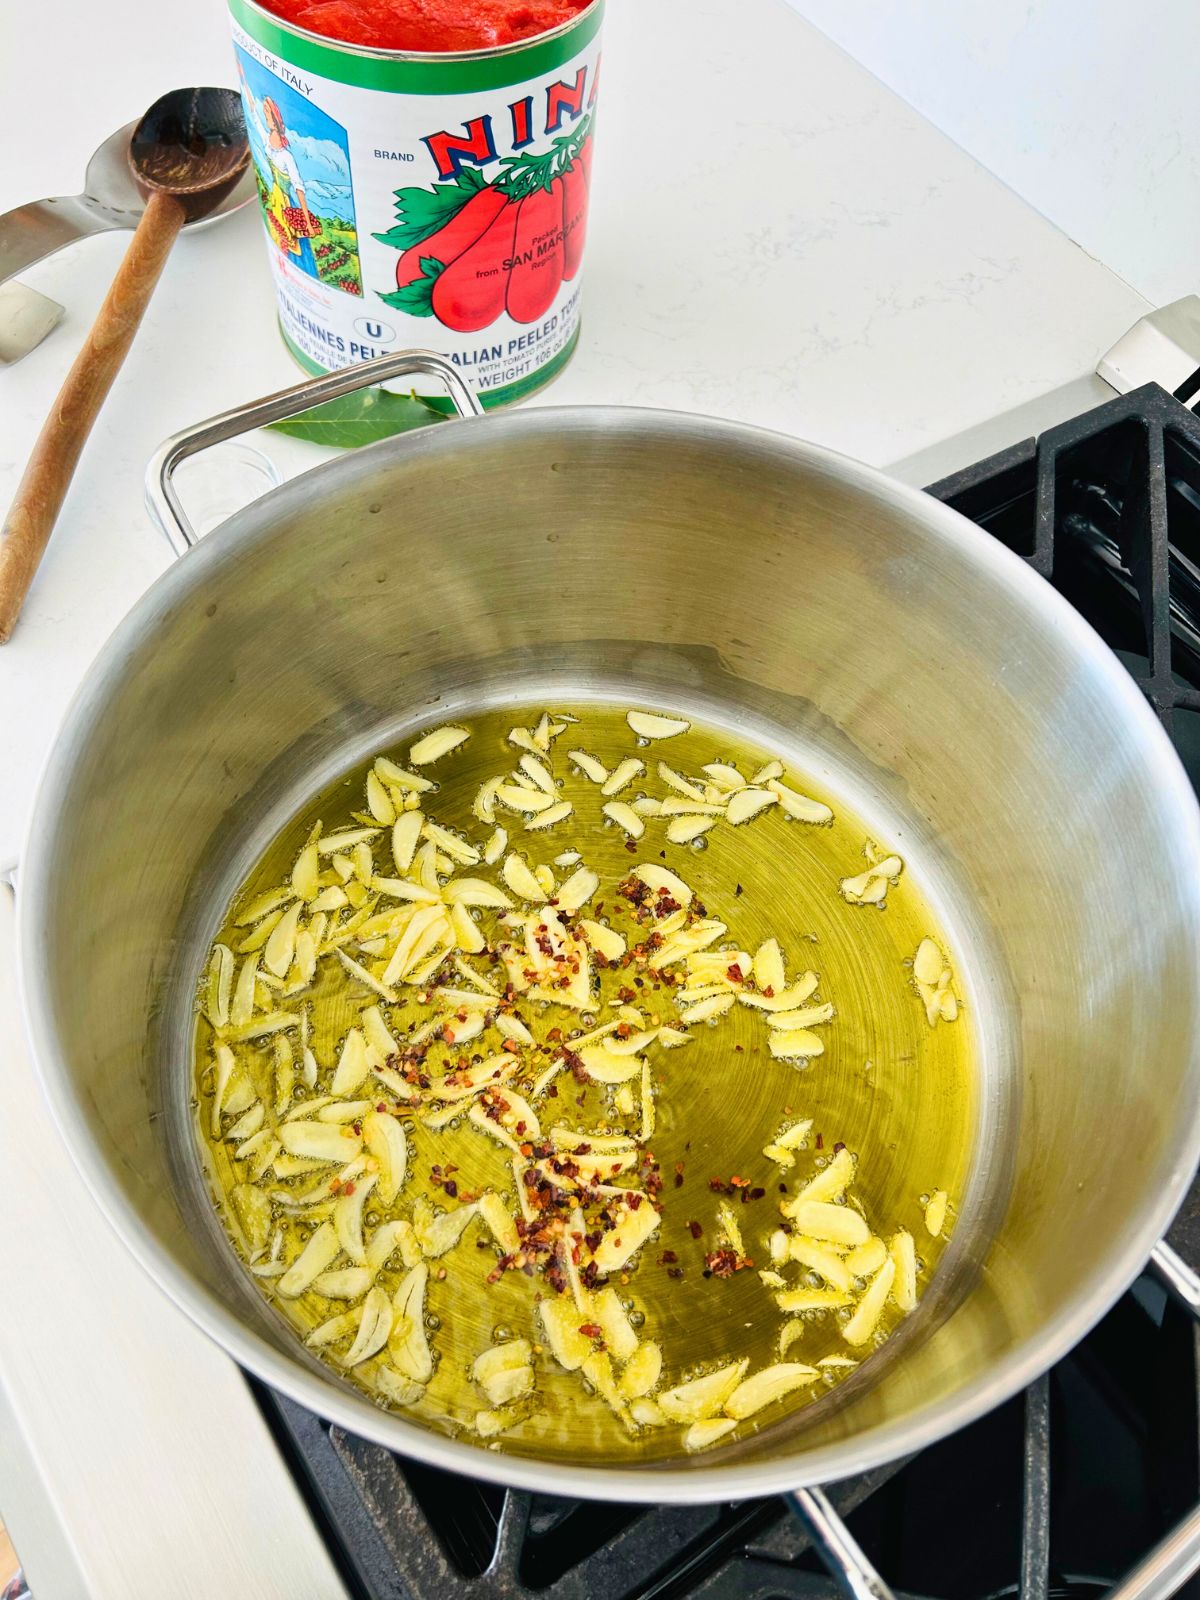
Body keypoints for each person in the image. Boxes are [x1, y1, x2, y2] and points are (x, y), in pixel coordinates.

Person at [255, 94, 320, 275]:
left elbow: (299, 188)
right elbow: (256, 121)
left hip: (285, 202)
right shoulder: (268, 143)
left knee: (296, 244)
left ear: (275, 121)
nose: (265, 117)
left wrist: (306, 222)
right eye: (265, 113)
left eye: (268, 114)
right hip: (275, 200)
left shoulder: (286, 156)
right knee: (278, 238)